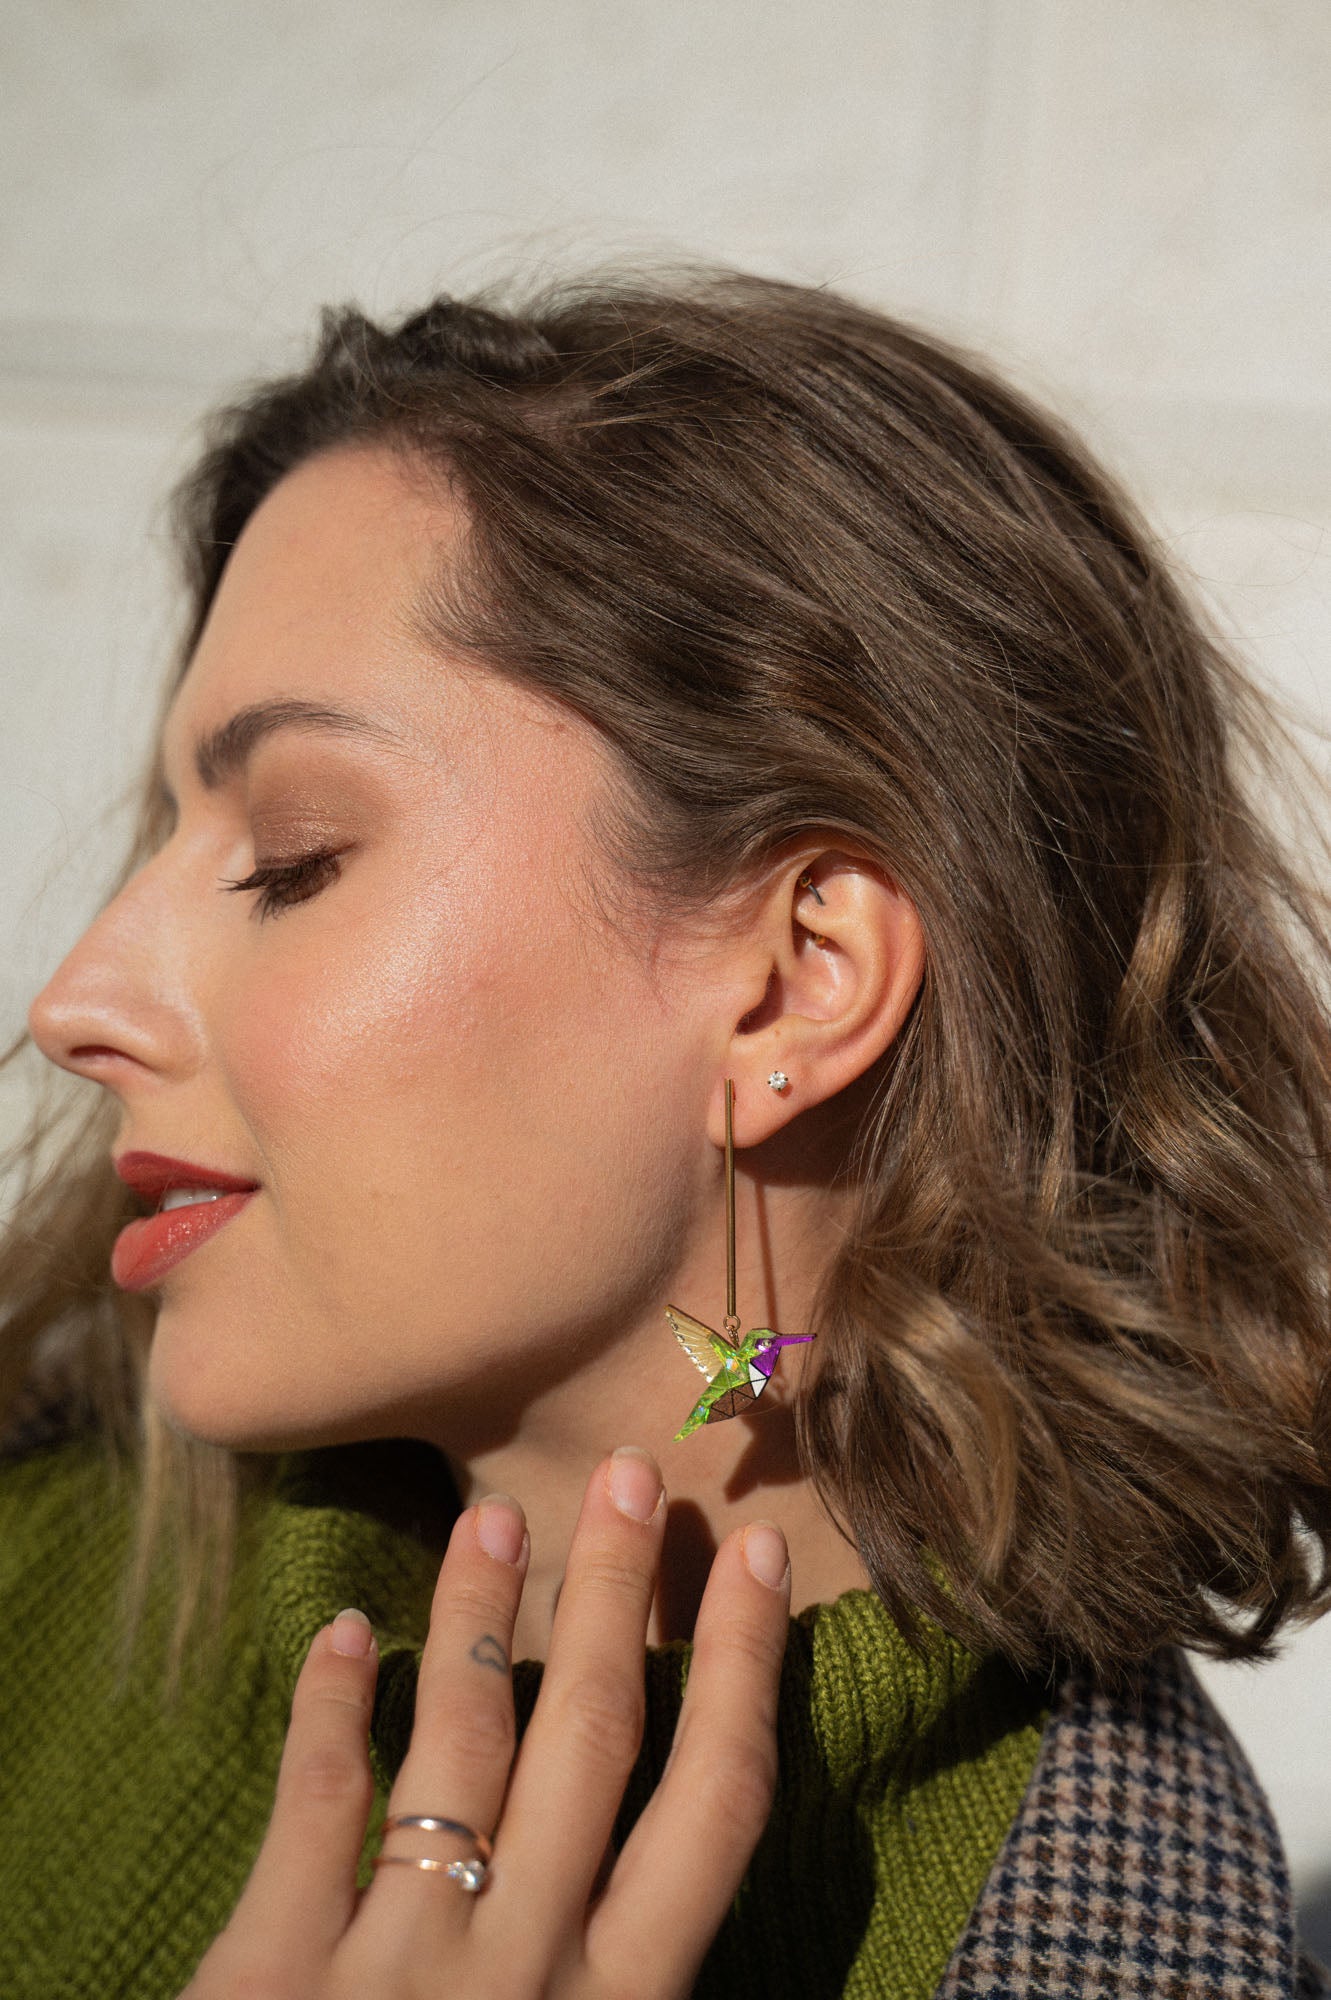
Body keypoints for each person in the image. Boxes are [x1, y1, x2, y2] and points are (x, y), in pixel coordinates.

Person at [0, 266, 1328, 2000]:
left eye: (293, 859)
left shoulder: (1104, 1938)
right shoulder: (44, 1566)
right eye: (163, 841)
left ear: (797, 981)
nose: (76, 1001)